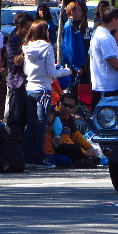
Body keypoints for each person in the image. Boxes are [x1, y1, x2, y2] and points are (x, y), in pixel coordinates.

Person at [22, 20, 72, 167]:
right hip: (43, 89)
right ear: (45, 32)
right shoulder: (47, 47)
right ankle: (38, 157)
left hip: (30, 88)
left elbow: (26, 70)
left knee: (30, 124)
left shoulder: (27, 47)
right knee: (41, 124)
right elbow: (51, 71)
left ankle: (27, 156)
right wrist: (66, 71)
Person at [44, 93, 100, 168]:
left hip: (65, 146)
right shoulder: (55, 115)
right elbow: (64, 139)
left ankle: (85, 160)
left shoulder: (68, 117)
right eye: (65, 105)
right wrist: (85, 153)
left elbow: (76, 136)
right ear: (60, 104)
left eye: (71, 107)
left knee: (77, 148)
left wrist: (89, 147)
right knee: (73, 150)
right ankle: (85, 159)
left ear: (74, 108)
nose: (67, 108)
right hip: (56, 148)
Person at [4, 12, 33, 128]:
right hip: (17, 83)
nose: (29, 31)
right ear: (19, 26)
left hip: (28, 84)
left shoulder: (30, 39)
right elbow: (16, 61)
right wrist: (27, 50)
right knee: (15, 120)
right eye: (27, 28)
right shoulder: (13, 40)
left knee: (26, 120)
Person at [61, 1, 87, 75]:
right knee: (73, 85)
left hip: (79, 63)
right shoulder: (70, 26)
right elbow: (69, 47)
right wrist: (76, 66)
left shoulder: (75, 25)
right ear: (72, 12)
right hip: (73, 66)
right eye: (79, 10)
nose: (81, 13)